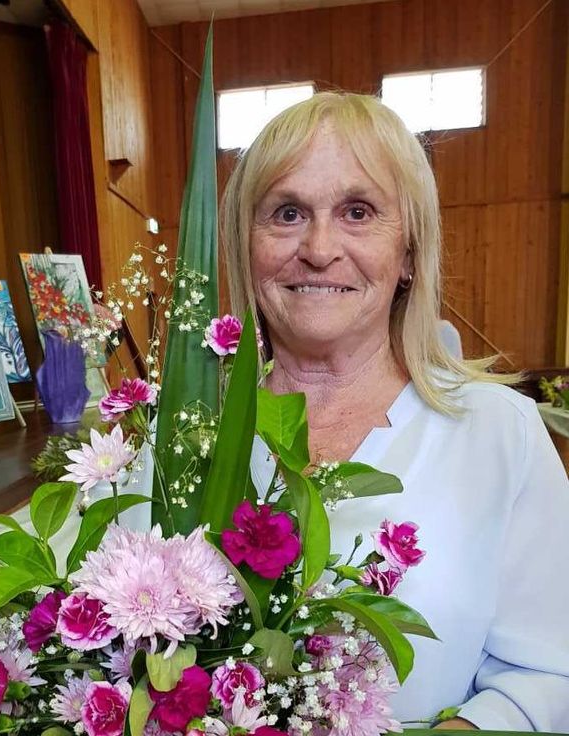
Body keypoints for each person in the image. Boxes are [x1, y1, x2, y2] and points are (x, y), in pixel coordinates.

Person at [221, 92, 569, 732]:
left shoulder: (501, 434)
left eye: (358, 212)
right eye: (287, 212)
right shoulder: (181, 439)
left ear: (409, 251)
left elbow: (550, 675)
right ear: (245, 244)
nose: (319, 248)